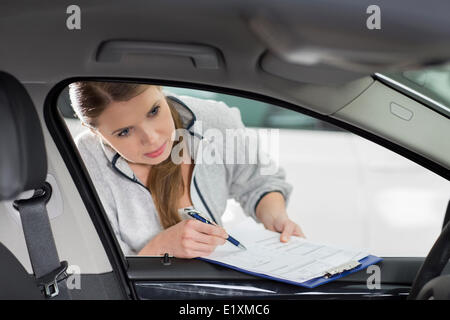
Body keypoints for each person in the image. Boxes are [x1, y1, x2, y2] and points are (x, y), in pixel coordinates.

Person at [69, 81, 304, 258]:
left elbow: (258, 180)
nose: (151, 139)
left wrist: (275, 216)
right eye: (124, 132)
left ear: (160, 89)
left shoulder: (213, 120)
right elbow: (104, 276)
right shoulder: (83, 163)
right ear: (94, 132)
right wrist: (160, 248)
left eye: (153, 112)